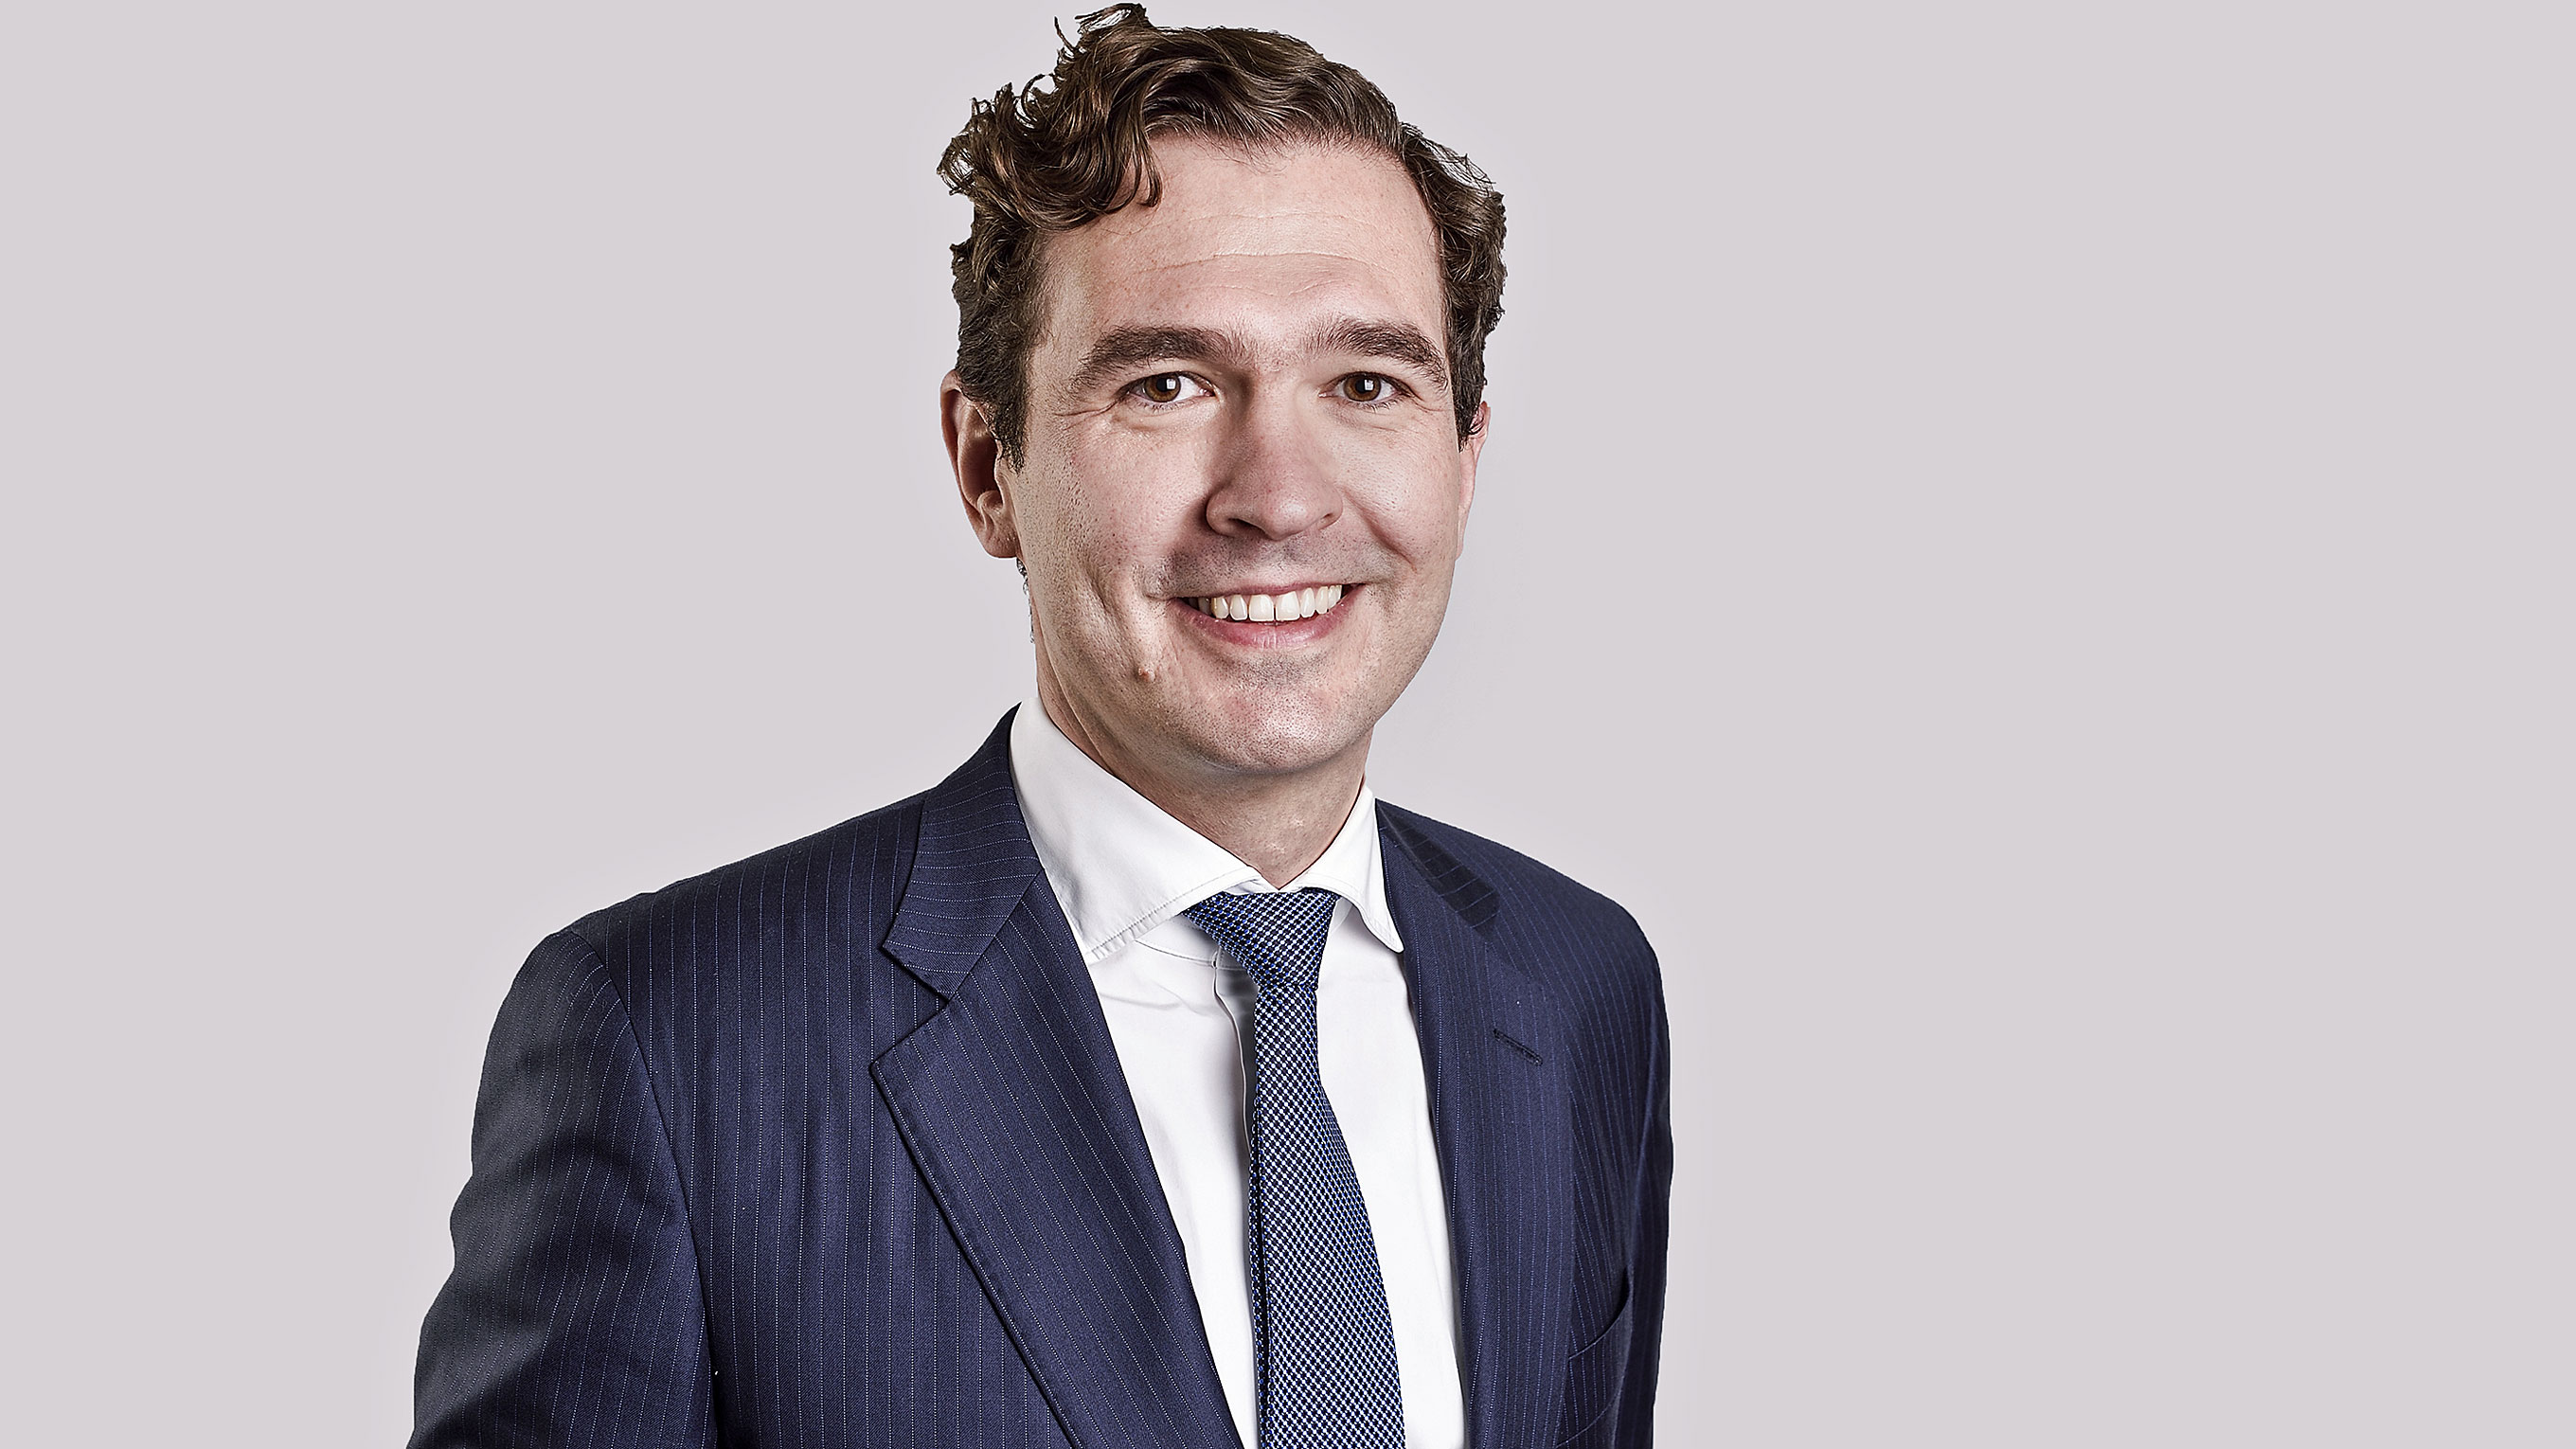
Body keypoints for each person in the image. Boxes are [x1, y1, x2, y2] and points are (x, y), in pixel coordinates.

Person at [408, 8, 1670, 1447]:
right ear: (986, 466)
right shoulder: (671, 1045)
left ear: (1464, 456)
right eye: (1166, 385)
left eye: (1367, 384)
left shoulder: (1579, 989)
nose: (1277, 494)